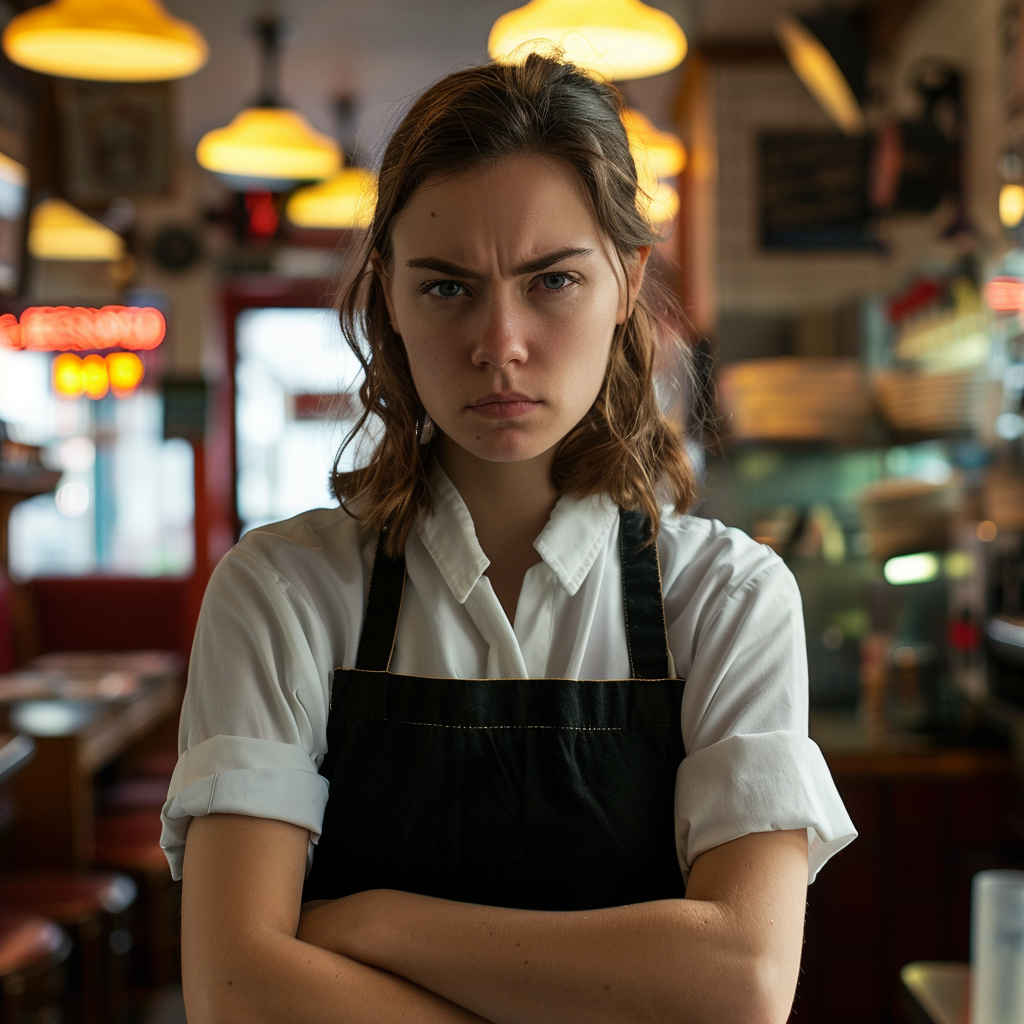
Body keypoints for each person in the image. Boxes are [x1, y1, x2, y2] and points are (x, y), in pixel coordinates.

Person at [163, 54, 856, 1024]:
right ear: (390, 299)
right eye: (446, 287)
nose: (500, 342)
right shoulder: (282, 589)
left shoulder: (727, 597)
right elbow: (239, 991)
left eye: (552, 280)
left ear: (625, 282)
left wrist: (374, 921)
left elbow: (739, 981)